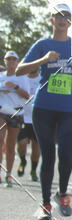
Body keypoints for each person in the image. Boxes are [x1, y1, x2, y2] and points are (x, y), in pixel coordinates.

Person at [17, 5, 72, 218]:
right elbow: (20, 69)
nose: (62, 19)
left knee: (66, 153)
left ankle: (62, 194)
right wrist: (44, 60)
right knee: (48, 156)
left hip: (69, 108)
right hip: (44, 107)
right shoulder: (43, 44)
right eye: (58, 16)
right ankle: (45, 204)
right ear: (51, 20)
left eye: (66, 16)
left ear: (70, 21)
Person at [0, 51, 31, 185]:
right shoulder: (0, 76)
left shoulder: (22, 77)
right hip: (1, 111)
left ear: (17, 62)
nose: (11, 62)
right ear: (5, 61)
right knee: (0, 141)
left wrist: (15, 87)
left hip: (16, 113)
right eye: (9, 59)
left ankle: (9, 174)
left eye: (14, 59)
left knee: (10, 145)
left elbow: (27, 96)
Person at [17, 68, 41, 180]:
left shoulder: (42, 79)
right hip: (23, 117)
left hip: (38, 119)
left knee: (36, 147)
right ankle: (23, 161)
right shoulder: (22, 78)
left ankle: (33, 170)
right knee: (21, 144)